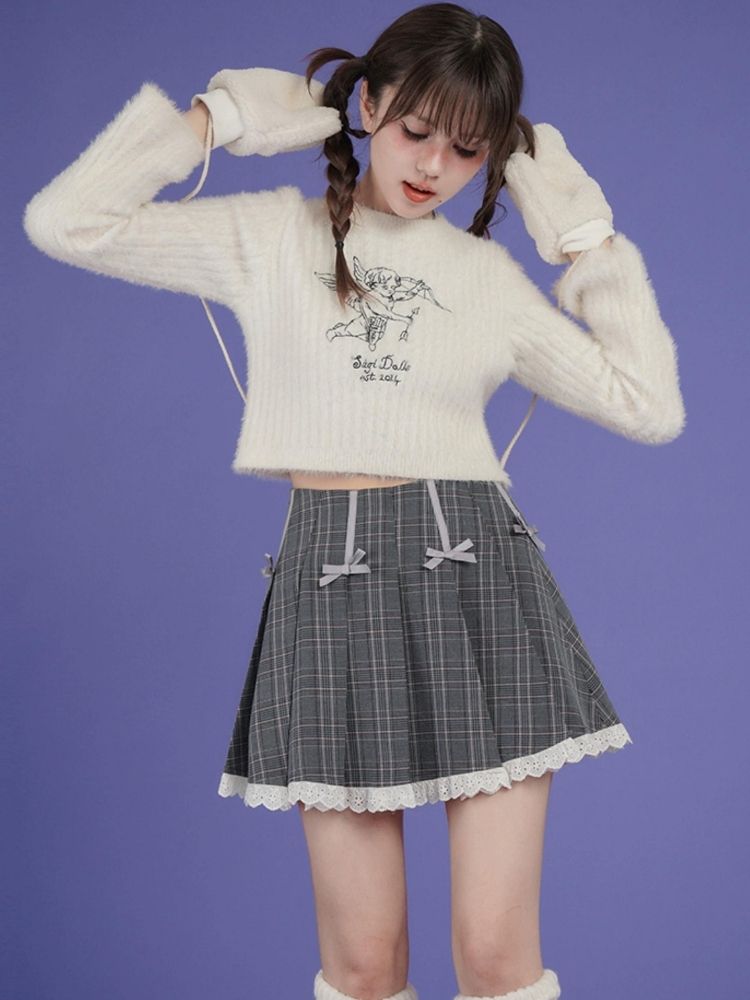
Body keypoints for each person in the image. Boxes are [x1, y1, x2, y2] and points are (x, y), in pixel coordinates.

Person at [22, 4, 686, 999]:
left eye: (468, 150)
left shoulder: (487, 279)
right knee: (364, 967)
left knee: (494, 957)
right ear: (367, 106)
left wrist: (587, 241)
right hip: (330, 588)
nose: (434, 166)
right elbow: (64, 221)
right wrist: (215, 118)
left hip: (478, 584)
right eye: (416, 129)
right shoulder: (265, 236)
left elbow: (650, 406)